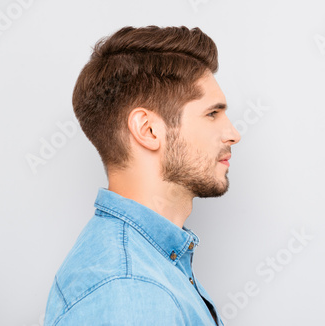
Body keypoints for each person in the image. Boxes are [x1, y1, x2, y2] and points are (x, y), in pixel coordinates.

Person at [43, 25, 241, 326]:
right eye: (212, 114)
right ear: (148, 130)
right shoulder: (128, 289)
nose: (233, 134)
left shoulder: (152, 263)